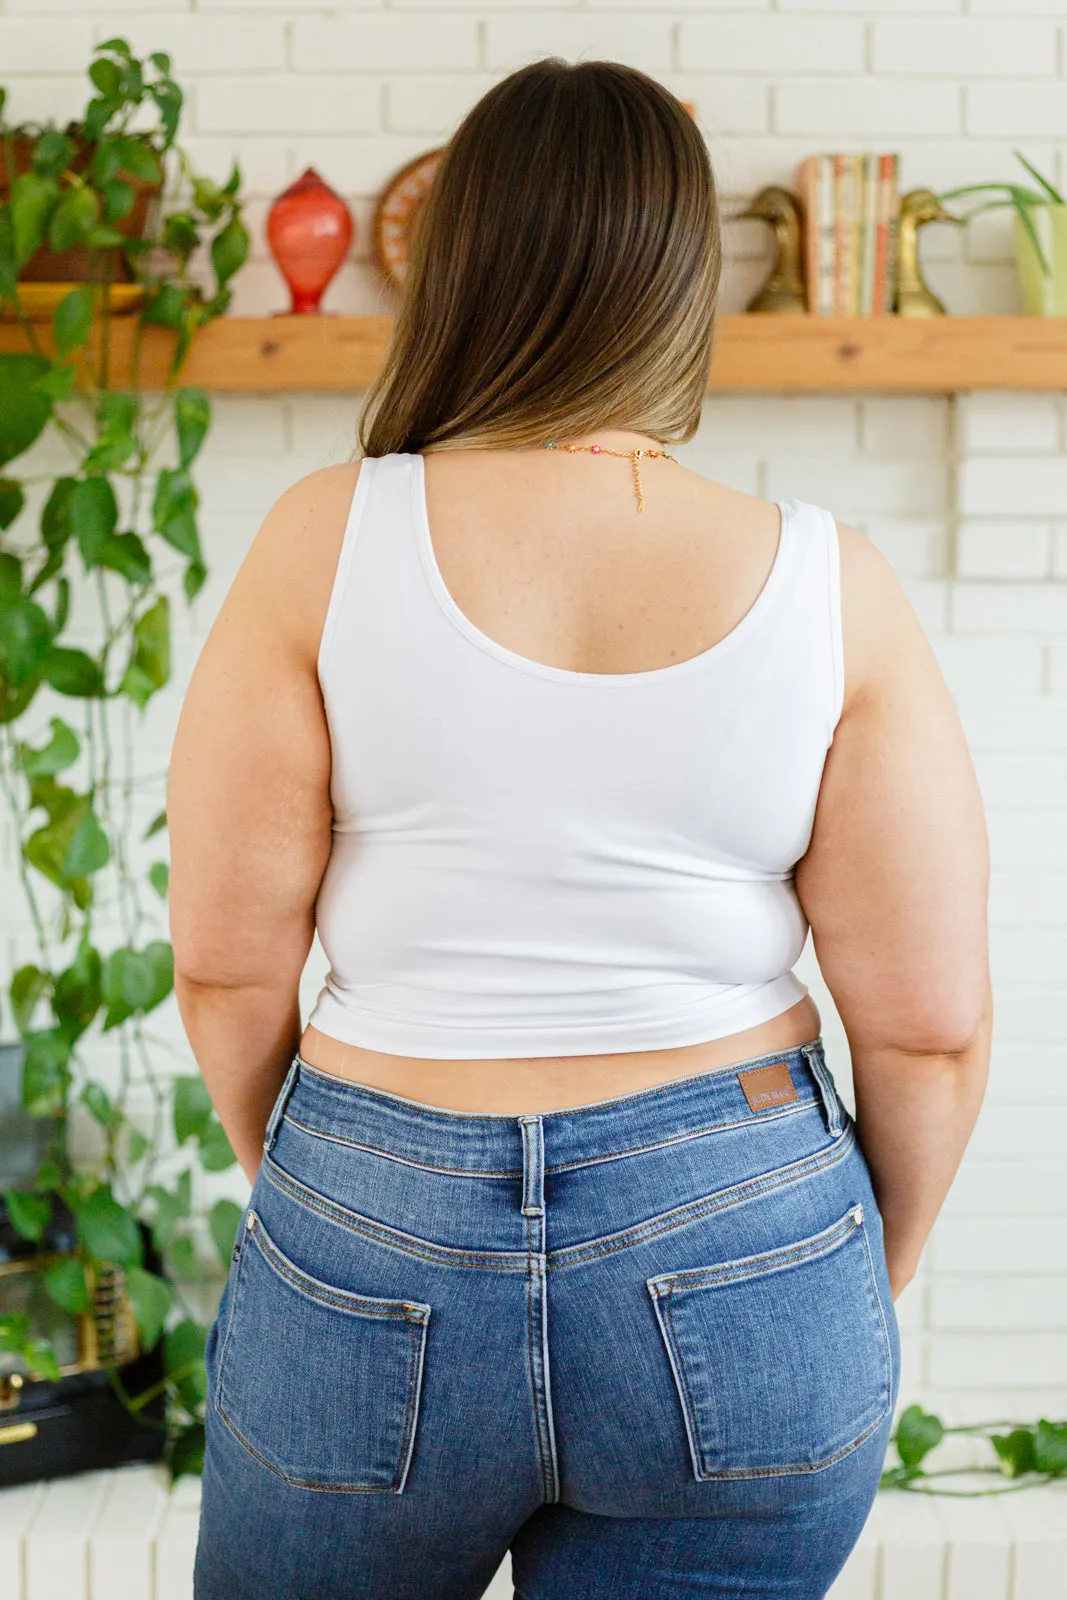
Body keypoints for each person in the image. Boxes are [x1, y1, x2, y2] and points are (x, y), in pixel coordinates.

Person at [170, 58, 991, 1600]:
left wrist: (345, 1186)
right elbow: (930, 1030)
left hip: (373, 1210)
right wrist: (824, 1284)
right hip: (745, 1224)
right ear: (684, 289)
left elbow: (223, 968)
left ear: (459, 268)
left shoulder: (321, 541)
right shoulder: (833, 585)